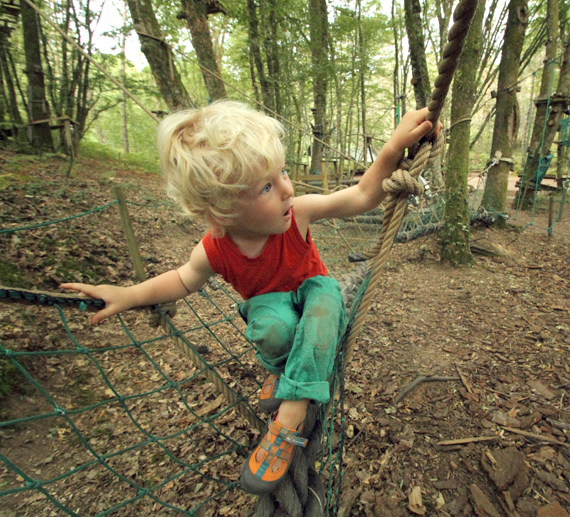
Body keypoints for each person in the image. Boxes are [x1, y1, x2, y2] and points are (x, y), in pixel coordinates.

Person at [61, 100, 438, 495]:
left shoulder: (299, 213)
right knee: (272, 328)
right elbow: (181, 279)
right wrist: (128, 294)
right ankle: (284, 371)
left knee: (326, 305)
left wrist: (394, 148)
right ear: (221, 212)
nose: (289, 189)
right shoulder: (214, 250)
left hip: (315, 294)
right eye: (266, 186)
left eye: (283, 173)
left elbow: (362, 195)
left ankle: (289, 415)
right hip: (272, 308)